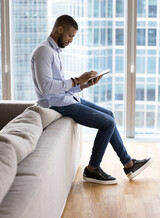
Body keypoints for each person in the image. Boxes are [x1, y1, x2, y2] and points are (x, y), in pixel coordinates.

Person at [31, 14, 152, 185]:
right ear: (59, 29)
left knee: (109, 114)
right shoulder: (44, 51)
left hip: (66, 99)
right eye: (70, 36)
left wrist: (83, 85)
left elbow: (59, 85)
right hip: (56, 105)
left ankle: (129, 164)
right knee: (107, 123)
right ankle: (92, 169)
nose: (71, 40)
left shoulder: (55, 52)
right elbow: (46, 88)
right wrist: (76, 80)